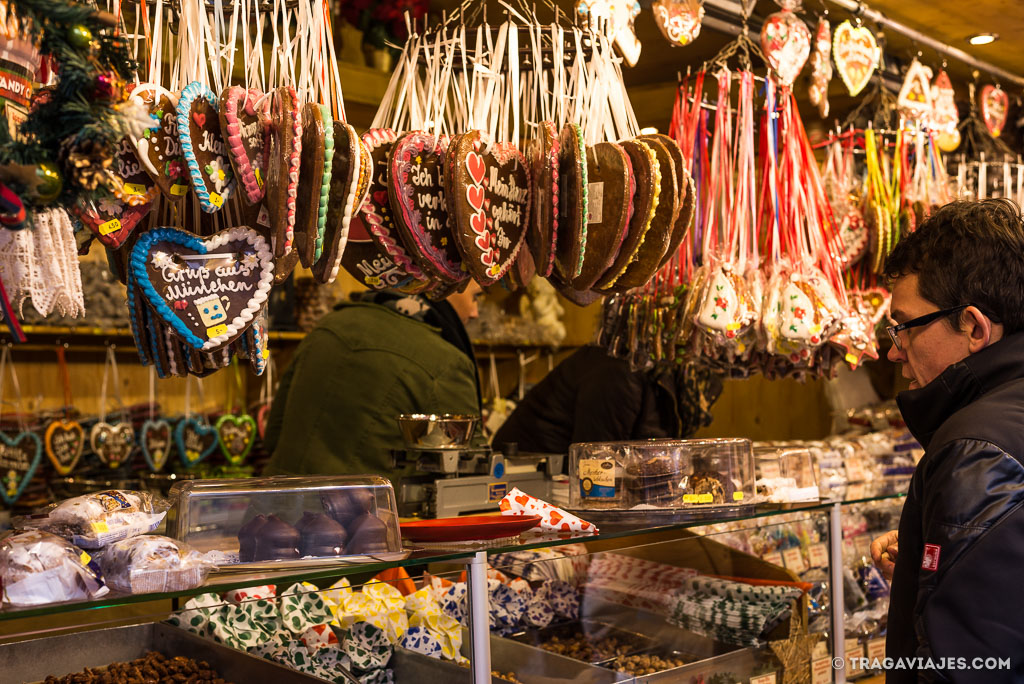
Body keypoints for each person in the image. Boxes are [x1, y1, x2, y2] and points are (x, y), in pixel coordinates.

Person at [869, 199, 1024, 682]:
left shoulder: (974, 447)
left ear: (974, 327)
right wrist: (929, 564)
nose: (895, 351)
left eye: (906, 327)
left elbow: (969, 663)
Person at [263, 282, 483, 479]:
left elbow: (273, 436)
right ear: (445, 285)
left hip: (275, 509)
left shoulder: (326, 328)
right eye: (476, 297)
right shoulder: (446, 363)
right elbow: (471, 474)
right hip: (366, 517)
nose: (474, 313)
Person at [493, 344, 722, 454]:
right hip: (528, 483)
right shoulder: (619, 372)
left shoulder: (679, 382)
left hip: (556, 483)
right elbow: (596, 460)